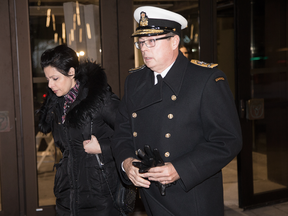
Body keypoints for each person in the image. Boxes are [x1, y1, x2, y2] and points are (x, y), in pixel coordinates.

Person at [112, 6, 242, 216]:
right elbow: (122, 133)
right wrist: (127, 163)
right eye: (141, 42)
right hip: (150, 195)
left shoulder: (205, 80)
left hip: (192, 196)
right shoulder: (134, 81)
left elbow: (227, 139)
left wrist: (180, 169)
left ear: (174, 41)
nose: (144, 49)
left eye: (152, 41)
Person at [38, 45, 120, 216]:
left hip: (100, 195)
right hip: (67, 195)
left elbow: (132, 134)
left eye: (55, 78)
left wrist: (104, 148)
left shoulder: (99, 99)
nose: (50, 85)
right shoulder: (57, 105)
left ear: (71, 72)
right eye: (47, 79)